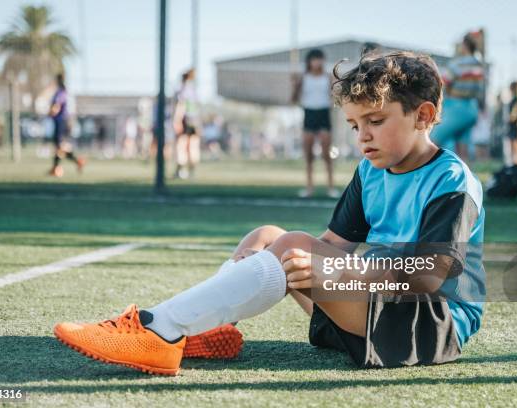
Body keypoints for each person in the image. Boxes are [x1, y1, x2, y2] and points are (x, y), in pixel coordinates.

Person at [54, 51, 485, 376]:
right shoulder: (371, 171)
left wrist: (334, 271)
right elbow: (333, 244)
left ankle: (159, 329)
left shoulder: (451, 180)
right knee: (269, 237)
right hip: (371, 303)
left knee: (293, 246)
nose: (363, 136)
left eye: (375, 120)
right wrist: (316, 265)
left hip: (427, 322)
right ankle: (201, 331)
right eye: (355, 125)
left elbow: (430, 274)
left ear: (423, 115)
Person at [292, 49, 339, 198]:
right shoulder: (303, 78)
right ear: (309, 61)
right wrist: (294, 85)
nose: (317, 62)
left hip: (323, 114)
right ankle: (309, 188)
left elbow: (335, 96)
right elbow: (293, 99)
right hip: (309, 114)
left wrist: (333, 99)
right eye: (314, 59)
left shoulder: (328, 77)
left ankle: (331, 188)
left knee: (326, 154)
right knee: (309, 155)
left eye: (319, 59)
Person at [431, 33, 485, 161]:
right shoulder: (479, 65)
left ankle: (422, 174)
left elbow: (443, 81)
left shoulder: (458, 63)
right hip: (472, 109)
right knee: (463, 150)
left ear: (465, 45)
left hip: (456, 107)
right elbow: (481, 90)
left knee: (432, 141)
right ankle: (466, 178)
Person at [48, 73, 85, 177]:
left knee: (60, 147)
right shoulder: (65, 92)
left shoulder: (60, 92)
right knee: (60, 147)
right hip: (63, 121)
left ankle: (57, 169)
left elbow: (56, 106)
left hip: (60, 122)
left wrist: (50, 113)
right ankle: (59, 167)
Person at [173, 68, 200, 179]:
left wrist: (177, 120)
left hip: (185, 120)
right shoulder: (193, 90)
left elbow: (181, 105)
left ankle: (180, 171)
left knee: (181, 146)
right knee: (193, 146)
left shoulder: (182, 90)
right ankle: (192, 172)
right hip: (194, 120)